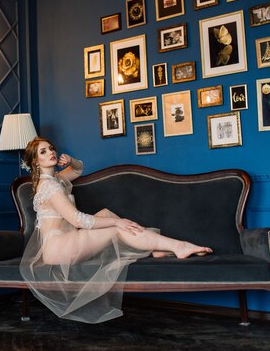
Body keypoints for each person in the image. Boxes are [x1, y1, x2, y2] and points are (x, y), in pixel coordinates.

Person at [19, 136, 212, 323]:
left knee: (106, 213)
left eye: (51, 148)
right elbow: (77, 220)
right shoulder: (50, 186)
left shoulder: (57, 179)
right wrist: (116, 224)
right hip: (60, 250)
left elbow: (78, 170)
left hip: (67, 240)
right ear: (36, 161)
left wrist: (71, 160)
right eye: (43, 152)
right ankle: (178, 246)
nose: (51, 152)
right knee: (117, 227)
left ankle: (156, 247)